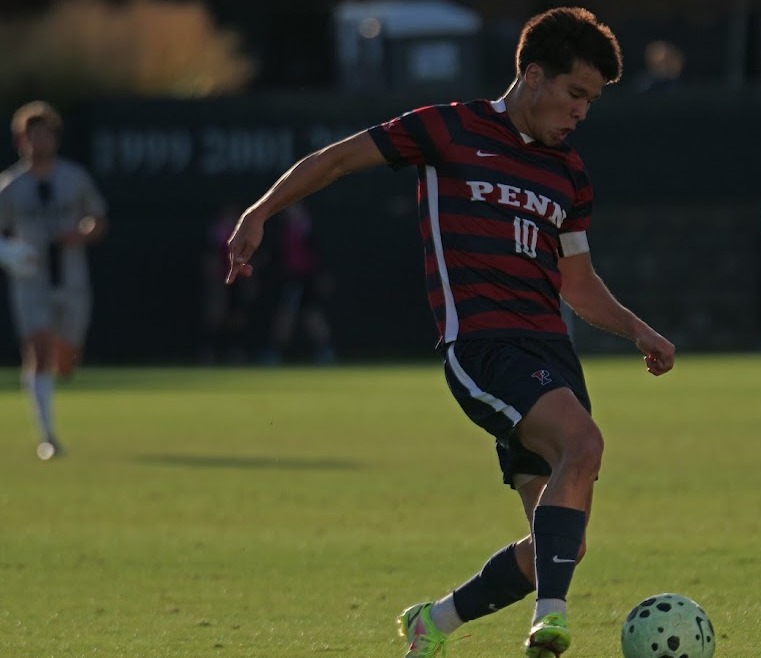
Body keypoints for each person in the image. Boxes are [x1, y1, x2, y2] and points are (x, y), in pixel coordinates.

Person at [224, 8, 675, 658]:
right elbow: (336, 160)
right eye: (576, 94)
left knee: (560, 542)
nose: (582, 111)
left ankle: (433, 622)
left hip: (553, 356)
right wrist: (261, 212)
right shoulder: (448, 129)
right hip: (485, 349)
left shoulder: (568, 172)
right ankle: (551, 625)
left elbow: (576, 285)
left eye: (592, 101)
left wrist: (637, 329)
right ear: (534, 74)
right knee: (584, 443)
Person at [0, 100, 108, 459]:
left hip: (71, 279)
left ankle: (59, 375)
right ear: (21, 141)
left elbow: (97, 220)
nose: (39, 142)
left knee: (65, 359)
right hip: (32, 280)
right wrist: (11, 253)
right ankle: (47, 435)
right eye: (33, 136)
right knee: (39, 350)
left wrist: (82, 232)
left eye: (45, 135)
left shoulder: (74, 178)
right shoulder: (10, 186)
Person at [258, 202, 335, 365]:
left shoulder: (310, 228)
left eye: (295, 208)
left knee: (309, 315)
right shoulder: (282, 230)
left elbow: (320, 254)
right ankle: (276, 351)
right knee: (287, 316)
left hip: (304, 280)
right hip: (290, 279)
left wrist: (321, 275)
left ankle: (323, 350)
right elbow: (275, 254)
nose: (290, 211)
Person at [201, 201, 259, 364]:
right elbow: (210, 258)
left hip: (238, 281)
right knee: (215, 317)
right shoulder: (216, 233)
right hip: (220, 281)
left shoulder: (243, 233)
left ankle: (235, 352)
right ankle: (209, 353)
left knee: (236, 318)